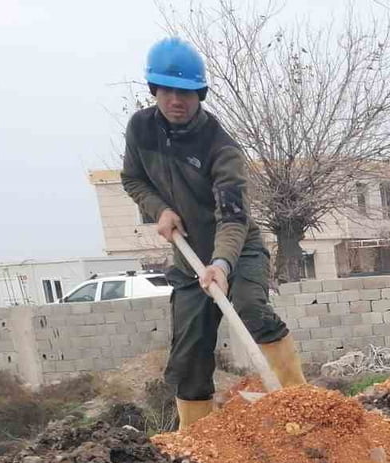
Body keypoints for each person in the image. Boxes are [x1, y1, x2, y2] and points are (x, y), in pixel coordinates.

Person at [121, 37, 306, 432]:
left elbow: (234, 218)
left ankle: (300, 410)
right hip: (189, 258)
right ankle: (198, 438)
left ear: (200, 93)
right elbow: (133, 180)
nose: (176, 100)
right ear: (154, 89)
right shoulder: (140, 130)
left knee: (250, 307)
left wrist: (221, 264)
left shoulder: (221, 148)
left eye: (186, 92)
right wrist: (160, 210)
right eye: (167, 90)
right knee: (188, 352)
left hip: (239, 250)